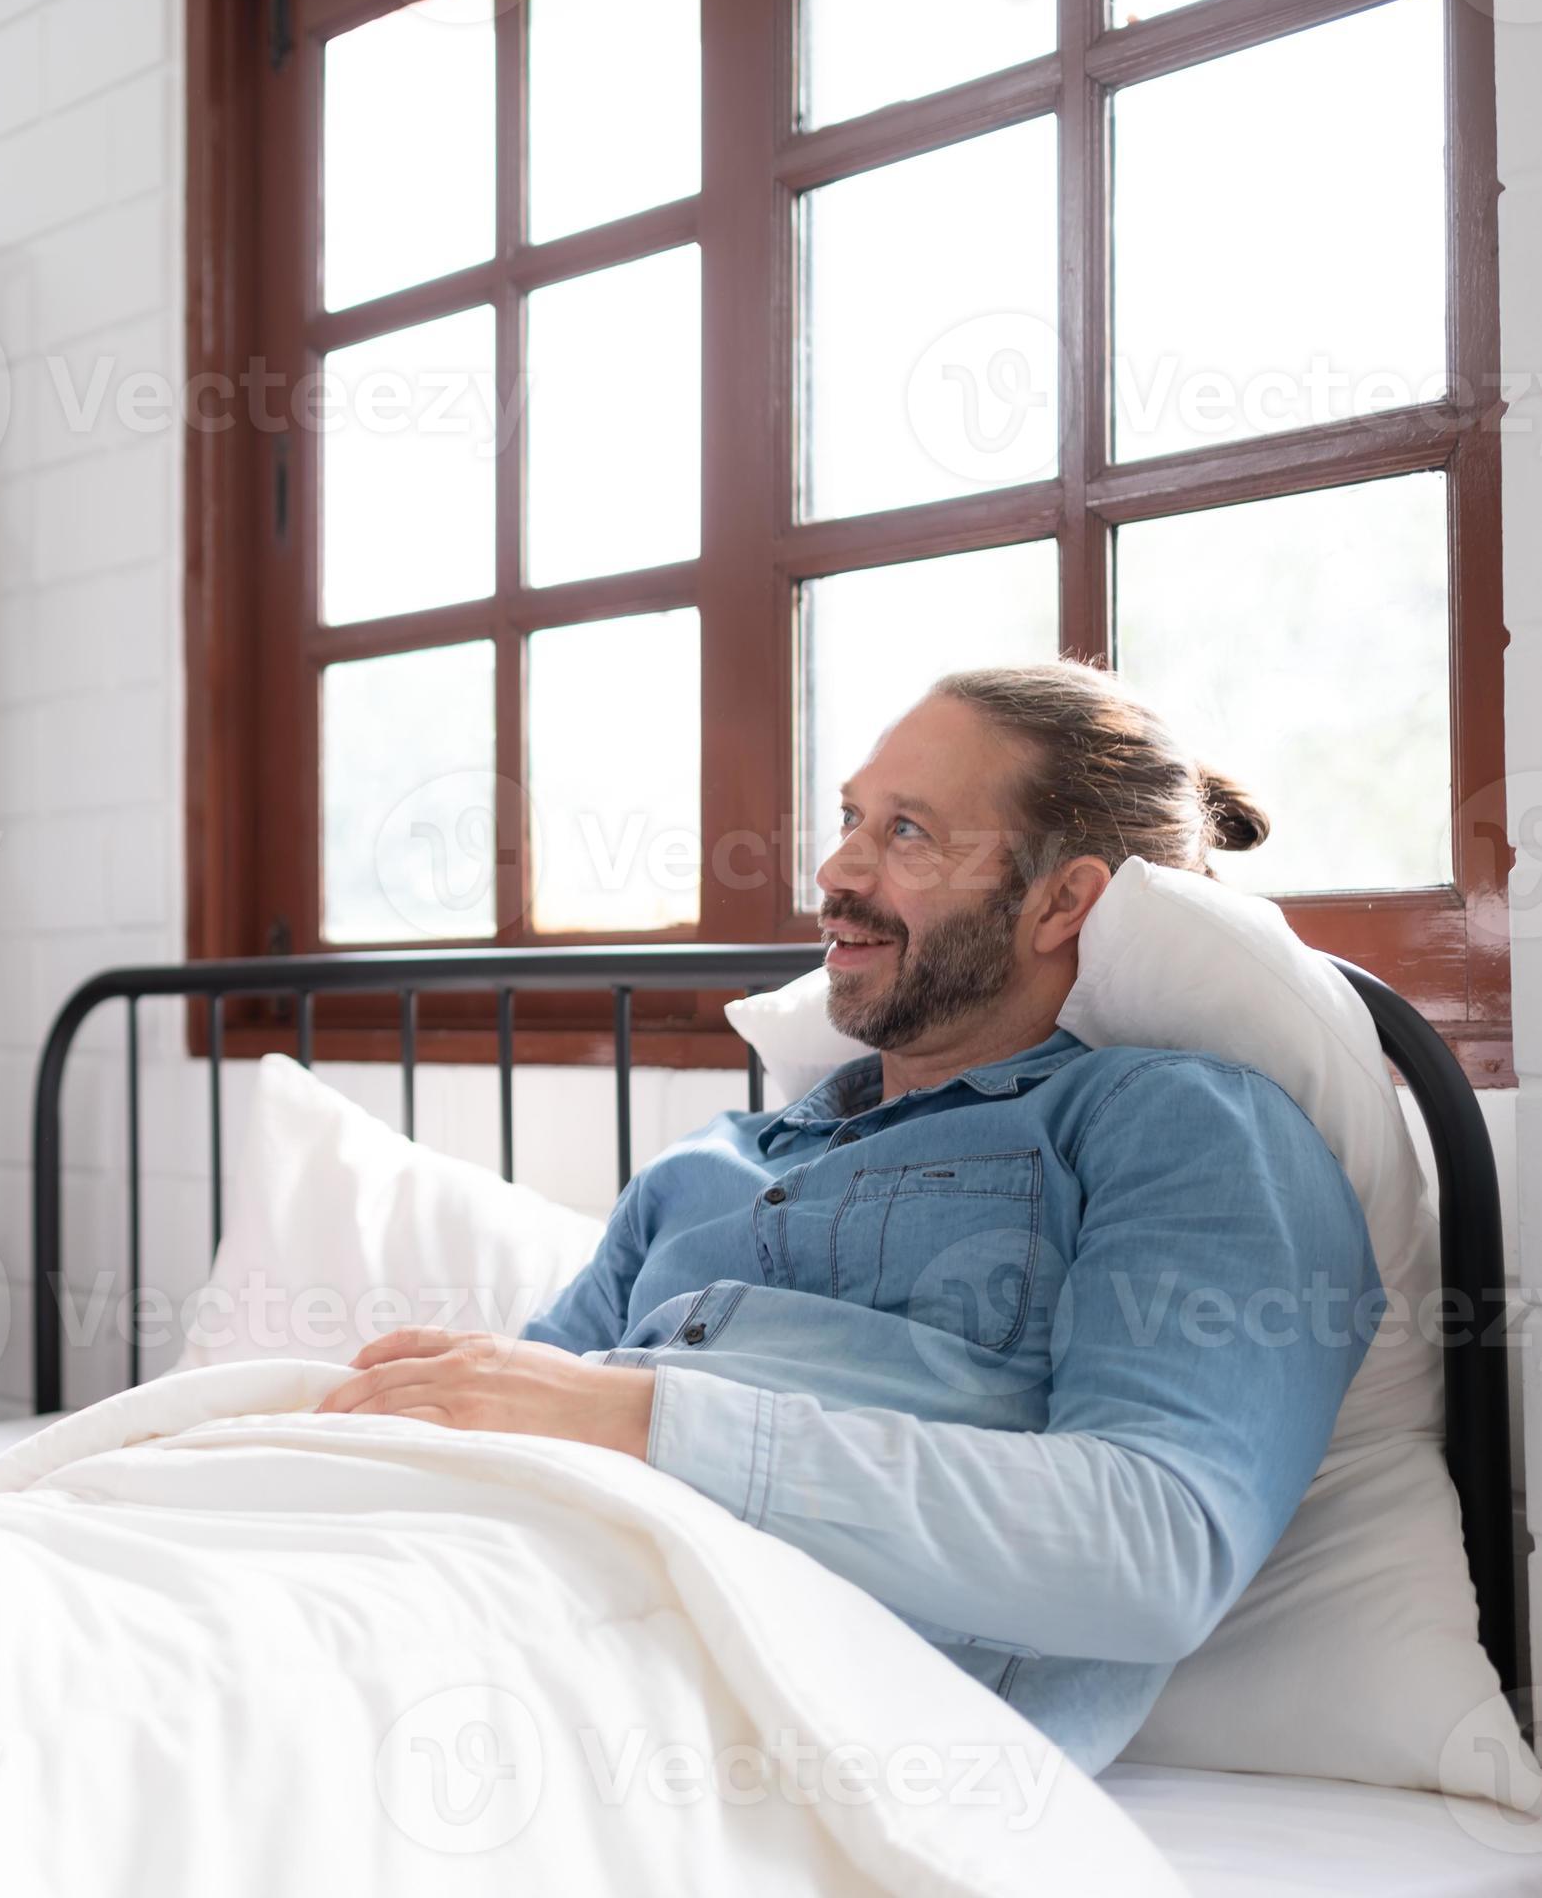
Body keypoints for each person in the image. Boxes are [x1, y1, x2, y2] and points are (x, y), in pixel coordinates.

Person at [319, 660, 1379, 1775]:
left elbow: (1152, 1549)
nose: (835, 870)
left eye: (908, 832)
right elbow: (493, 1413)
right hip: (460, 1584)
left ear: (1063, 901)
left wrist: (646, 1419)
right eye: (848, 820)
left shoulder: (1178, 1126)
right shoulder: (707, 1165)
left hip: (727, 1714)